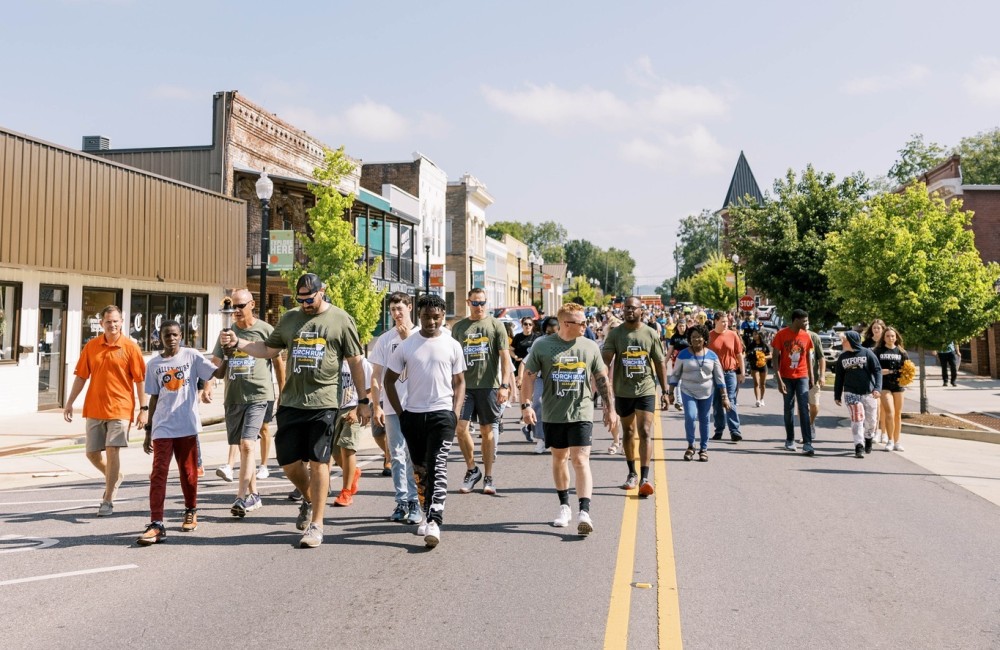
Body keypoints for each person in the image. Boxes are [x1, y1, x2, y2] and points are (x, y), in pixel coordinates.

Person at [219, 273, 370, 549]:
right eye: (301, 299)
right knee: (288, 461)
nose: (305, 304)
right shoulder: (289, 319)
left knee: (318, 461)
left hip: (324, 403)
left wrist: (364, 400)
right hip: (291, 402)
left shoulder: (341, 320)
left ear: (322, 292)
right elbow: (267, 348)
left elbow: (356, 360)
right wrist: (238, 343)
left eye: (309, 298)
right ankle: (310, 498)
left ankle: (317, 525)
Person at [521, 303, 618, 536]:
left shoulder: (590, 346)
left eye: (585, 322)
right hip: (554, 413)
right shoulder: (543, 346)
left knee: (581, 459)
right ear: (566, 324)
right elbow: (529, 376)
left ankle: (584, 511)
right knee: (559, 458)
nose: (586, 326)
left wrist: (610, 407)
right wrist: (525, 405)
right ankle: (564, 506)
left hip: (581, 412)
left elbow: (602, 377)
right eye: (581, 323)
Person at [383, 294, 466, 548]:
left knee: (438, 465)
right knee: (420, 469)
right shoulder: (407, 346)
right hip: (413, 415)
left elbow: (460, 382)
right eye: (427, 317)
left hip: (442, 414)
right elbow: (389, 380)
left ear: (443, 317)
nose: (431, 322)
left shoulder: (452, 345)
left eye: (437, 317)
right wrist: (401, 414)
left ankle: (434, 520)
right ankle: (424, 509)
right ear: (418, 315)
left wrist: (455, 412)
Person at [137, 320, 219, 544]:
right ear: (160, 338)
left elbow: (217, 373)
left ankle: (191, 509)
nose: (171, 338)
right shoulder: (153, 364)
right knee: (158, 473)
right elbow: (153, 398)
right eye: (166, 335)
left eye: (174, 335)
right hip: (163, 426)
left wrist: (229, 353)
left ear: (181, 336)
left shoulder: (191, 356)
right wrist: (148, 430)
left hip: (186, 425)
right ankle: (156, 523)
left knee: (188, 472)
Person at [63, 305, 148, 517]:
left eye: (116, 321)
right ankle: (115, 476)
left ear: (122, 322)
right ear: (101, 323)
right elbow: (82, 376)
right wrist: (70, 401)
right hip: (94, 407)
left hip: (120, 408)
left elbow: (140, 380)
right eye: (108, 321)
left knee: (112, 450)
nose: (113, 325)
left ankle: (108, 499)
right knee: (91, 453)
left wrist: (143, 408)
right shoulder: (91, 346)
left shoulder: (130, 348)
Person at [210, 289, 284, 518]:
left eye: (241, 306)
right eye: (233, 307)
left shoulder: (265, 330)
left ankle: (240, 497)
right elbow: (217, 368)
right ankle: (254, 494)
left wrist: (283, 391)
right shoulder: (226, 332)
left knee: (247, 444)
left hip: (260, 395)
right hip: (234, 397)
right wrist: (208, 384)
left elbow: (278, 362)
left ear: (252, 304)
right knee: (244, 449)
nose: (237, 311)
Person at [602, 296, 669, 495]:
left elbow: (659, 363)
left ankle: (645, 478)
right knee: (629, 432)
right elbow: (605, 361)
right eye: (626, 308)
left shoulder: (650, 333)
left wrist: (665, 391)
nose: (629, 310)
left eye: (634, 308)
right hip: (623, 390)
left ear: (642, 310)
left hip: (646, 389)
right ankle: (632, 473)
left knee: (645, 431)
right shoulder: (616, 334)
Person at [451, 288, 514, 495]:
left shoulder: (496, 326)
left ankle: (488, 476)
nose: (479, 307)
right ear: (468, 302)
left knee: (487, 432)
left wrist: (504, 385)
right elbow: (452, 359)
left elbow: (505, 358)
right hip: (464, 387)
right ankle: (472, 469)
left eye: (483, 303)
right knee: (461, 429)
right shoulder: (459, 327)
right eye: (475, 303)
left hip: (489, 386)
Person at [369, 292, 422, 525]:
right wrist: (376, 406)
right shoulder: (385, 339)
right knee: (396, 455)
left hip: (416, 405)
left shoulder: (421, 336)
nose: (396, 314)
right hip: (391, 405)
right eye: (392, 310)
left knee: (414, 454)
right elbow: (376, 376)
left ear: (410, 308)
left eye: (400, 308)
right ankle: (402, 501)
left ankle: (416, 502)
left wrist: (408, 338)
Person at [666, 325, 728, 462]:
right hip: (688, 390)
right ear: (689, 339)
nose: (696, 339)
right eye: (693, 337)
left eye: (699, 337)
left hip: (706, 392)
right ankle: (690, 446)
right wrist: (670, 393)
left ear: (705, 338)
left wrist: (725, 397)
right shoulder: (683, 355)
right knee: (690, 416)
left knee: (704, 420)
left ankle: (703, 449)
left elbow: (719, 378)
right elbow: (675, 375)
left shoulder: (712, 356)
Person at [771, 309, 816, 456]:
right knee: (788, 408)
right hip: (786, 377)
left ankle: (807, 442)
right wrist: (778, 380)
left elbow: (808, 356)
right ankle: (790, 439)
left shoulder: (806, 336)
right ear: (796, 320)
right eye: (804, 321)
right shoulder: (781, 335)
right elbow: (775, 358)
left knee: (804, 408)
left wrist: (811, 376)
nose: (806, 323)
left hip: (802, 376)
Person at [330, 356, 373, 507]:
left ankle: (346, 492)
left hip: (354, 409)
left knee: (347, 448)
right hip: (334, 410)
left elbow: (371, 388)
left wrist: (358, 409)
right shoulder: (332, 360)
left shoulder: (362, 363)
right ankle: (353, 472)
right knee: (336, 453)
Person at [834, 330, 883, 458]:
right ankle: (858, 446)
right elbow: (839, 377)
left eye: (844, 340)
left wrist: (877, 388)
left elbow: (877, 370)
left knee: (871, 421)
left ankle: (868, 438)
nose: (842, 343)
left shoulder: (867, 353)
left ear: (851, 341)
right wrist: (837, 394)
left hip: (868, 393)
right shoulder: (842, 357)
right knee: (857, 418)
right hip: (851, 392)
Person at [524, 316, 559, 454]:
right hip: (541, 378)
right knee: (538, 403)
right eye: (548, 332)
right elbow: (528, 363)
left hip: (558, 379)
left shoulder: (564, 341)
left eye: (554, 332)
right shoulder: (539, 342)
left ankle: (555, 438)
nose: (550, 335)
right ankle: (541, 439)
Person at [708, 312, 745, 442]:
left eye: (727, 321)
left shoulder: (733, 335)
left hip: (730, 373)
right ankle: (719, 429)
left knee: (731, 400)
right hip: (714, 374)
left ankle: (735, 431)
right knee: (717, 403)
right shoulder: (709, 336)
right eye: (723, 321)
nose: (726, 324)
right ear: (716, 321)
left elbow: (739, 355)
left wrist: (742, 372)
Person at [875, 327, 909, 452]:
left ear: (896, 337)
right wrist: (890, 371)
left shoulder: (901, 352)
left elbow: (907, 369)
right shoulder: (878, 351)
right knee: (890, 412)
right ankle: (889, 440)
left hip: (898, 385)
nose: (890, 338)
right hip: (884, 385)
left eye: (892, 336)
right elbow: (876, 370)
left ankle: (897, 441)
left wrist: (906, 378)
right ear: (884, 337)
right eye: (888, 336)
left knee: (898, 414)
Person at [862, 319, 887, 443]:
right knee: (876, 406)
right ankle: (875, 431)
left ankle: (884, 432)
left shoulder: (886, 341)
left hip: (887, 376)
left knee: (885, 407)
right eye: (874, 328)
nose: (876, 330)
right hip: (873, 377)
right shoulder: (867, 343)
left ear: (883, 329)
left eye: (878, 328)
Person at [806, 324, 826, 443]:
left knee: (814, 405)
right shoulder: (794, 335)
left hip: (813, 377)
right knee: (802, 406)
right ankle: (806, 431)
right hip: (799, 377)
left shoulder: (814, 337)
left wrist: (822, 375)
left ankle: (811, 423)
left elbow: (821, 357)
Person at [745, 330, 770, 407]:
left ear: (759, 335)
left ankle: (762, 399)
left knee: (763, 384)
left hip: (763, 366)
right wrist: (750, 355)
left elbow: (770, 355)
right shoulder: (751, 345)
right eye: (753, 334)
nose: (754, 336)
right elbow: (746, 354)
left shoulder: (764, 345)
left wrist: (763, 357)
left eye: (756, 334)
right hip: (754, 366)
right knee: (756, 382)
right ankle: (757, 400)